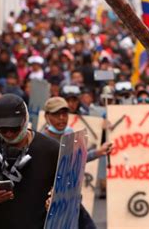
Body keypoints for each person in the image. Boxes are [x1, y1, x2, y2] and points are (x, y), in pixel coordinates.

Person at [0, 94, 59, 228]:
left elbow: (72, 195)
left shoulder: (51, 150)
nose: (9, 134)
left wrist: (57, 201)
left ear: (25, 119)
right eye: (2, 129)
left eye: (15, 128)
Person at [41, 96, 112, 229]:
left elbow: (77, 158)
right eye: (56, 114)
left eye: (64, 113)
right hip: (50, 201)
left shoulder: (70, 135)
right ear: (47, 116)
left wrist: (99, 152)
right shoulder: (41, 141)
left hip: (70, 197)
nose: (61, 118)